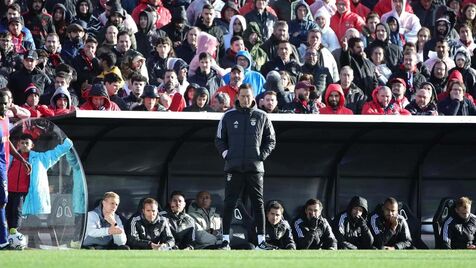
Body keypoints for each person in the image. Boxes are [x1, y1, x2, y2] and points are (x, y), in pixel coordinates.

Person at [215, 83, 276, 250]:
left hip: (254, 168)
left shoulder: (262, 116)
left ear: (253, 97)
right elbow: (219, 139)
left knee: (258, 203)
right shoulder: (228, 116)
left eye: (248, 96)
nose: (245, 99)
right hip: (233, 168)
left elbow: (271, 141)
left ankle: (261, 241)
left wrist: (260, 156)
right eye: (242, 96)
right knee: (229, 203)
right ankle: (225, 240)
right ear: (237, 97)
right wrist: (227, 155)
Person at [7, 132, 73, 234]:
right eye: (22, 143)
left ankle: (14, 233)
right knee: (7, 212)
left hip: (23, 192)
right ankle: (7, 234)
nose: (24, 145)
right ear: (18, 145)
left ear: (32, 146)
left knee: (17, 211)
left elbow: (55, 154)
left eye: (27, 143)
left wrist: (67, 143)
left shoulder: (39, 158)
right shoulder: (11, 157)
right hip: (8, 190)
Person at [0, 90, 31, 250]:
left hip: (2, 167)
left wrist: (21, 159)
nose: (4, 106)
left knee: (3, 202)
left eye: (6, 103)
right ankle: (3, 239)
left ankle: (3, 239)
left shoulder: (5, 118)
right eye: (1, 102)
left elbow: (6, 144)